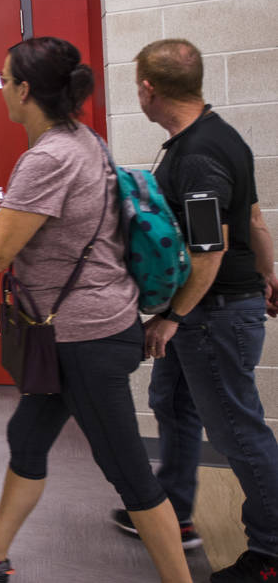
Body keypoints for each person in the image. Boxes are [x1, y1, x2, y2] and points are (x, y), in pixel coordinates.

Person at [0, 37, 192, 583]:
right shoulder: (84, 140)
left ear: (25, 91)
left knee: (132, 477)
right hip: (78, 332)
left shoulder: (47, 158)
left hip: (83, 340)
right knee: (28, 438)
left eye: (3, 80)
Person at [109, 39, 278, 583]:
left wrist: (172, 317)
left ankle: (273, 553)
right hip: (218, 306)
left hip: (213, 315)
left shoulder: (199, 155)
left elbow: (212, 249)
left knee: (236, 430)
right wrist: (271, 272)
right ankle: (175, 512)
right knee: (172, 401)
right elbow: (253, 218)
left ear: (148, 88)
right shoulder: (216, 136)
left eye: (136, 84)